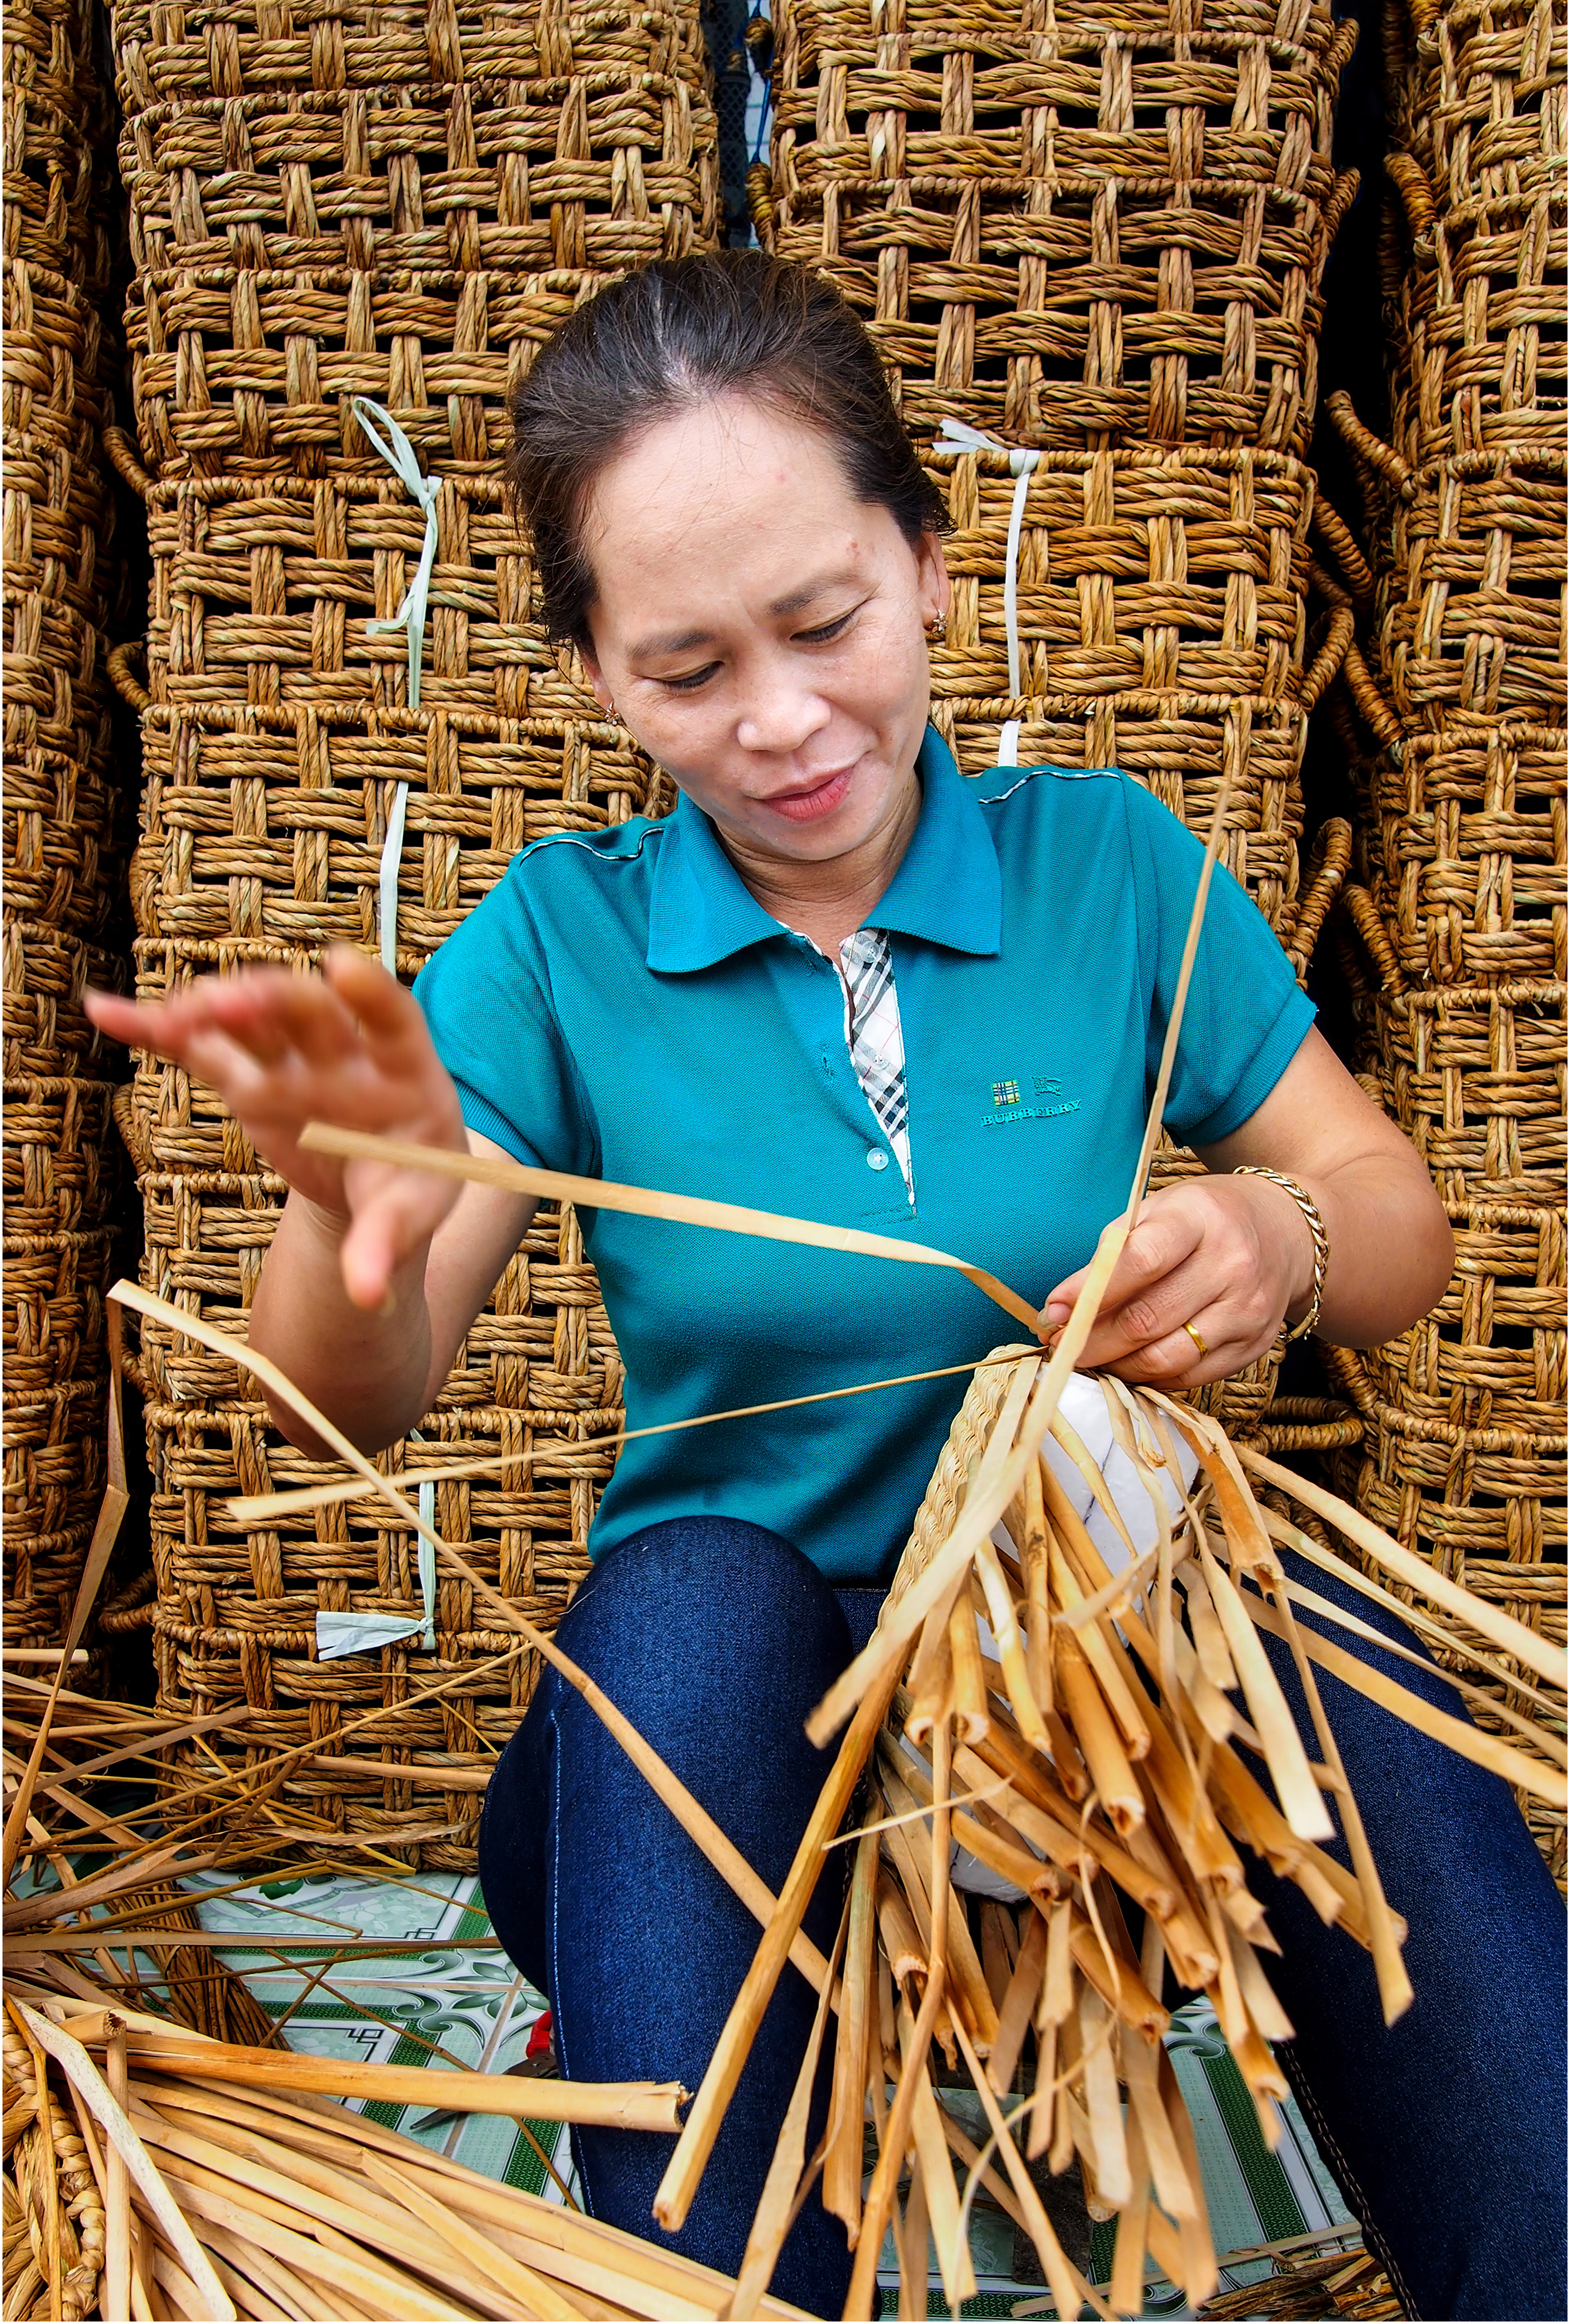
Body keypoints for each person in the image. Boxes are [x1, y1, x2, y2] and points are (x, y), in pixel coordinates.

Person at [90, 254, 1562, 2323]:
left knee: (1290, 1612)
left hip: (1082, 1804)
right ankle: (708, 2290)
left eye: (825, 622)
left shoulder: (1110, 869)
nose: (780, 723)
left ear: (929, 565)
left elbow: (1386, 1220)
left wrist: (1273, 1241)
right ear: (599, 675)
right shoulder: (556, 944)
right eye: (688, 667)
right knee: (694, 1587)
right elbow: (354, 1399)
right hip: (696, 1825)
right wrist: (349, 1226)